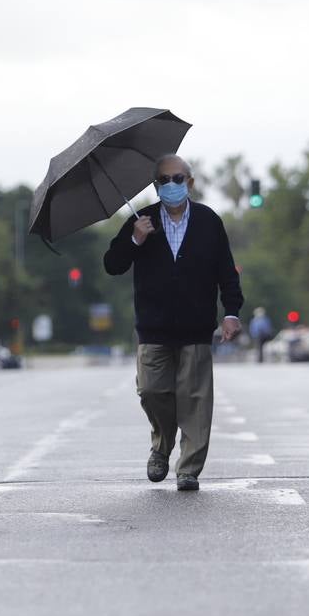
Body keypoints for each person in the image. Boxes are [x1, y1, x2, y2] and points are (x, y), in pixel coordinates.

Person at [103, 155, 244, 492]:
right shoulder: (142, 221)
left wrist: (231, 312)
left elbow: (227, 271)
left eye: (178, 178)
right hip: (154, 329)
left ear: (190, 183)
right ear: (155, 185)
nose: (171, 185)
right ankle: (161, 446)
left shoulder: (209, 222)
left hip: (196, 329)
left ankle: (188, 469)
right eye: (164, 180)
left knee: (195, 399)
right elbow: (112, 264)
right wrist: (135, 240)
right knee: (152, 391)